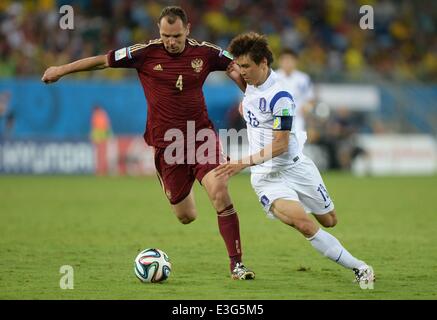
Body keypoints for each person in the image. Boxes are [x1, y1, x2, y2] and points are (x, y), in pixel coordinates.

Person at [41, 6, 255, 280]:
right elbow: (101, 61)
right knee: (186, 216)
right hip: (167, 146)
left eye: (176, 36)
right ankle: (167, 178)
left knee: (219, 190)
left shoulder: (205, 52)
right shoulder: (144, 53)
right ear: (159, 30)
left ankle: (236, 265)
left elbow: (234, 67)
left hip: (201, 136)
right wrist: (61, 69)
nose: (171, 41)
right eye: (166, 35)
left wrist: (250, 93)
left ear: (187, 30)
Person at [215, 32, 374, 287]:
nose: (241, 71)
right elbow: (242, 81)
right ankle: (360, 267)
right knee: (304, 224)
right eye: (240, 65)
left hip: (295, 167)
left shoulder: (282, 97)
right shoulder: (250, 82)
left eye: (246, 66)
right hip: (266, 177)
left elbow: (280, 144)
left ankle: (305, 202)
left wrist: (241, 162)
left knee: (330, 221)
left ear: (264, 63)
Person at [276, 48, 315, 150]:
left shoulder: (303, 78)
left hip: (297, 117)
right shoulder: (273, 77)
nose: (287, 63)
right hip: (278, 117)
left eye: (290, 60)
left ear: (295, 62)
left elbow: (310, 99)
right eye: (285, 59)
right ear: (280, 61)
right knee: (278, 146)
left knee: (297, 146)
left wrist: (307, 108)